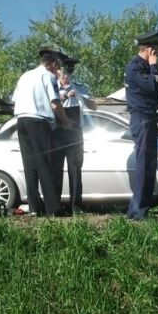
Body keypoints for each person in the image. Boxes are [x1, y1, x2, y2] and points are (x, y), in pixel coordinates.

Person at [12, 48, 73, 216]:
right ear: (52, 64)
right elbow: (55, 104)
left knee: (29, 165)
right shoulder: (47, 76)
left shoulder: (25, 76)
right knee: (45, 165)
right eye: (57, 67)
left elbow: (14, 99)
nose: (57, 71)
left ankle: (35, 207)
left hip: (21, 120)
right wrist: (65, 121)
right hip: (38, 121)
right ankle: (53, 209)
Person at [124, 26, 158, 220]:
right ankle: (138, 211)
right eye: (156, 49)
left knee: (149, 164)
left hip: (148, 118)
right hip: (142, 118)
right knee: (144, 164)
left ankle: (141, 209)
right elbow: (153, 86)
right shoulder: (135, 67)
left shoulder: (143, 67)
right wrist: (154, 66)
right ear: (149, 49)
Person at [51, 57, 96, 215]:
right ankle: (55, 206)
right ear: (57, 72)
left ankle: (76, 206)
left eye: (69, 72)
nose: (66, 76)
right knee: (56, 169)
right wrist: (63, 97)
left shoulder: (80, 88)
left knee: (75, 169)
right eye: (63, 72)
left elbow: (94, 107)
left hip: (75, 133)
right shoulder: (52, 88)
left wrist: (82, 97)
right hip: (58, 132)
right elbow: (49, 107)